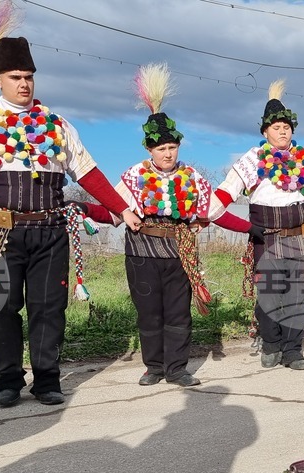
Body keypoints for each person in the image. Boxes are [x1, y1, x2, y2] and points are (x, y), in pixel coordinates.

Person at [0, 10, 137, 407]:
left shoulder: (57, 125)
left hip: (50, 231)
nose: (24, 84)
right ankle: (8, 381)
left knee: (49, 308)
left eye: (29, 77)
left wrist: (123, 209)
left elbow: (88, 172)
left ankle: (47, 380)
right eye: (15, 77)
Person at [112, 63, 259, 386]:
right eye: (161, 148)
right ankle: (154, 367)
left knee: (179, 312)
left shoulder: (191, 177)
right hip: (142, 253)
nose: (167, 153)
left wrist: (249, 228)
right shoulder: (134, 176)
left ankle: (177, 367)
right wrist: (95, 210)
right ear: (150, 149)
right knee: (150, 312)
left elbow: (214, 211)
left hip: (180, 253)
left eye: (172, 147)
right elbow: (111, 208)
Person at [215, 79, 304, 370]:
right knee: (268, 293)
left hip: (300, 234)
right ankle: (271, 343)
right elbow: (227, 191)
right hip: (266, 235)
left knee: (296, 294)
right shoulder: (252, 159)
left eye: (287, 127)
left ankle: (293, 351)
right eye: (276, 127)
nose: (282, 131)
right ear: (265, 131)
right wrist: (209, 214)